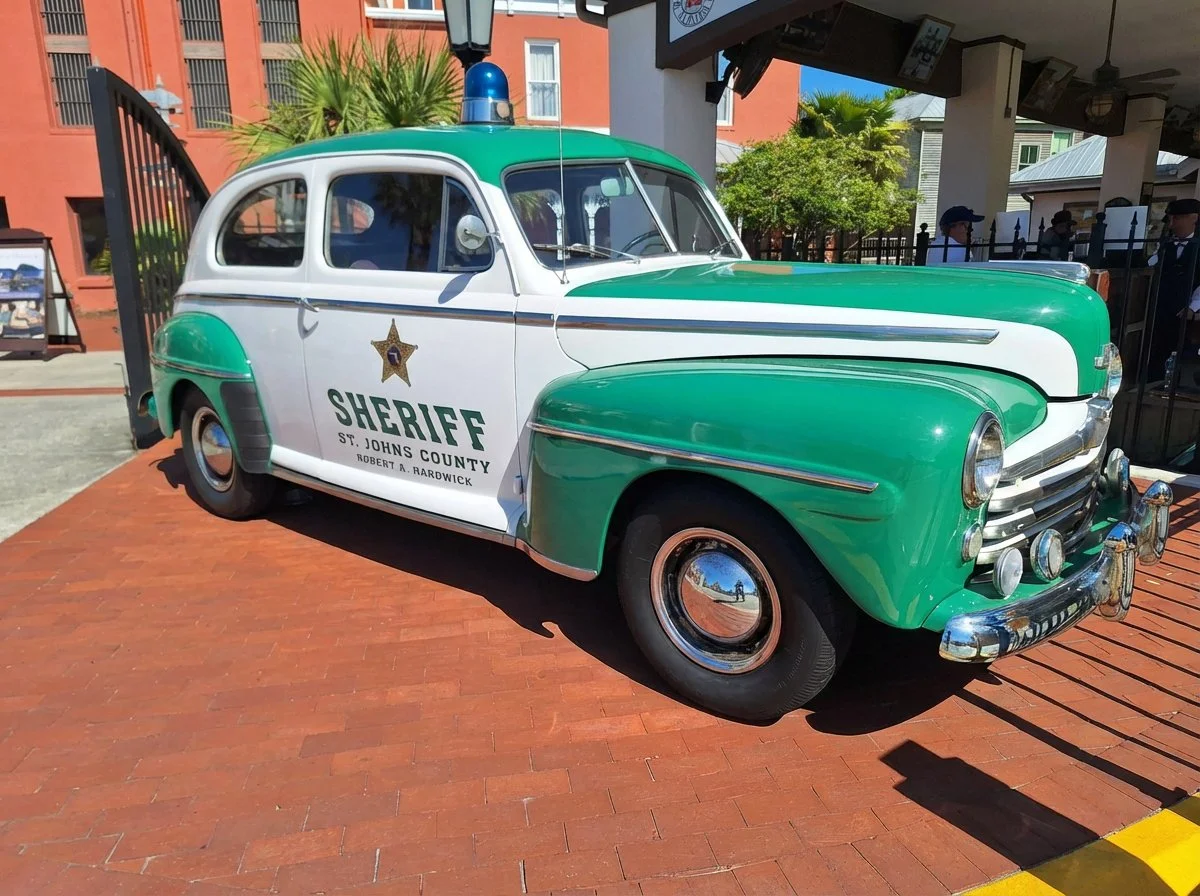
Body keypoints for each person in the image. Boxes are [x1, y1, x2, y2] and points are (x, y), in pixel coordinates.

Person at [1146, 197, 1200, 381]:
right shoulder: (1166, 244)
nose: (1172, 224)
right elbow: (1152, 265)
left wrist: (1193, 307)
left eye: (1177, 219)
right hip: (1160, 305)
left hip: (1184, 309)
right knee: (1156, 349)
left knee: (1181, 351)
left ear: (1193, 218)